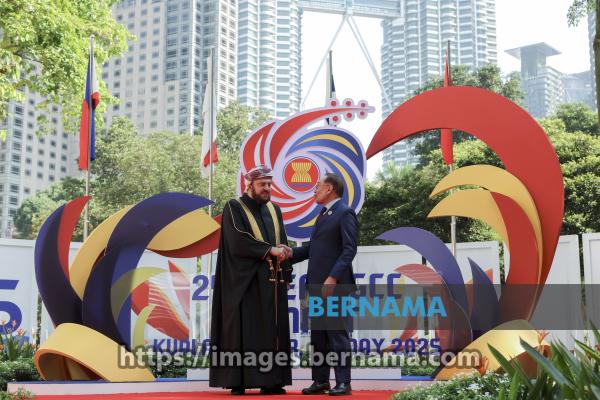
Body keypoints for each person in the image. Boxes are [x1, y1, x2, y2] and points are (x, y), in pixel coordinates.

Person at [209, 165, 293, 396]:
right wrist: (269, 250)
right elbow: (237, 240)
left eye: (269, 184)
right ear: (249, 185)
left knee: (272, 333)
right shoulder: (234, 206)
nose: (267, 188)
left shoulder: (274, 209)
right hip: (244, 283)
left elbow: (283, 241)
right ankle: (240, 381)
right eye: (262, 184)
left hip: (272, 283)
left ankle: (271, 381)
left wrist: (286, 272)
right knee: (245, 332)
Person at [281, 172, 358, 396]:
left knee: (337, 334)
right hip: (316, 286)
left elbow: (349, 249)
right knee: (319, 337)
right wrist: (290, 252)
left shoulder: (344, 212)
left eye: (318, 186)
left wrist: (333, 277)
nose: (314, 190)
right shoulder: (323, 214)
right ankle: (321, 381)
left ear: (329, 189)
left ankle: (344, 382)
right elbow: (313, 249)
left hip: (335, 286)